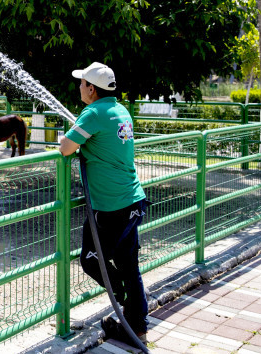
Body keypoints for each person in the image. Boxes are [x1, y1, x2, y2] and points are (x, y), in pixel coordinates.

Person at [58, 62, 149, 346]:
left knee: (90, 259)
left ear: (92, 89)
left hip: (111, 207)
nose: (79, 87)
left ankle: (121, 298)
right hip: (134, 200)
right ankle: (136, 325)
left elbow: (65, 148)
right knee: (128, 264)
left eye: (83, 83)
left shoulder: (93, 112)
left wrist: (77, 137)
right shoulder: (120, 110)